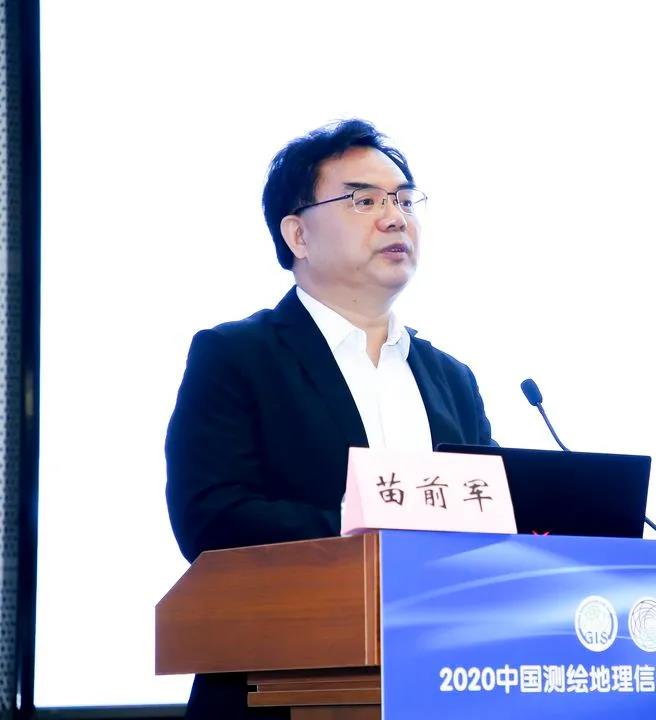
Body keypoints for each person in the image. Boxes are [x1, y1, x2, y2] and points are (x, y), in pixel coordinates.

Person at [165, 119, 495, 719]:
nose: (395, 218)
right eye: (365, 201)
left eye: (404, 200)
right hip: (279, 692)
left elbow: (491, 518)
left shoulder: (453, 379)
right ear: (298, 235)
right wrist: (371, 525)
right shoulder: (237, 356)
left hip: (441, 686)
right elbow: (211, 517)